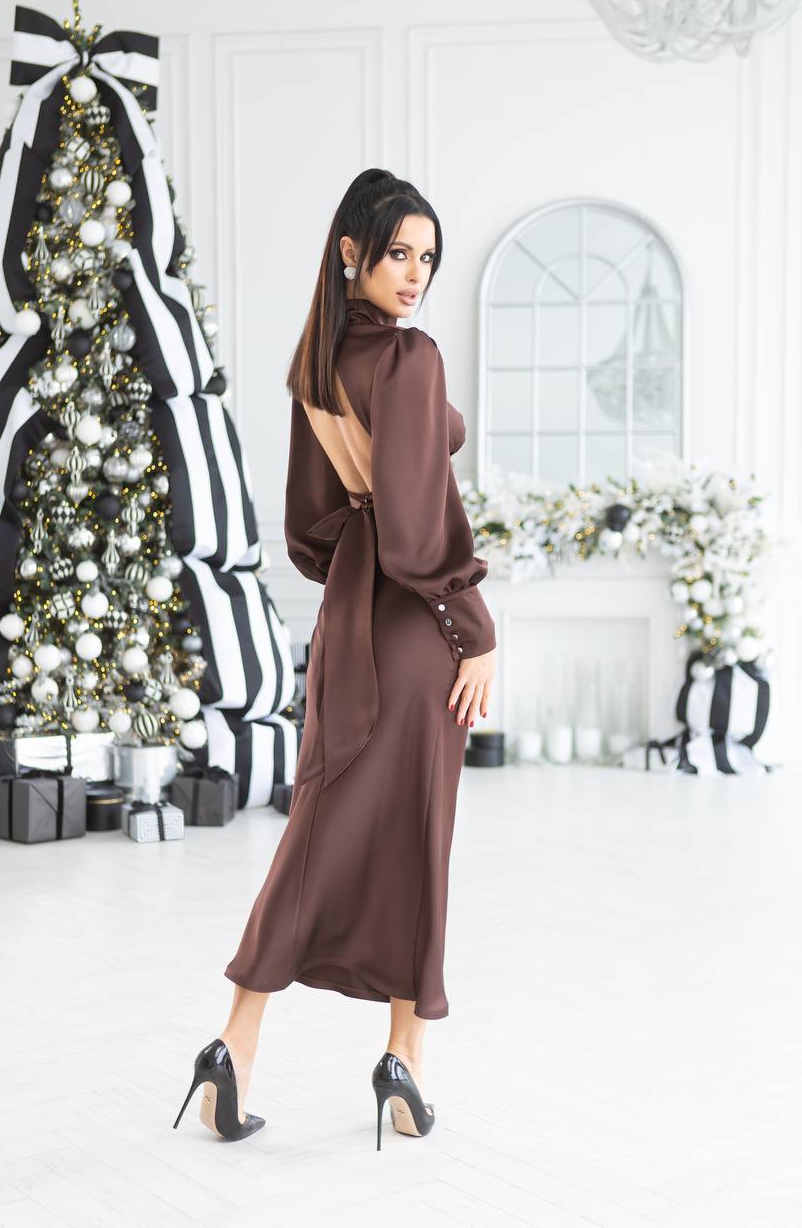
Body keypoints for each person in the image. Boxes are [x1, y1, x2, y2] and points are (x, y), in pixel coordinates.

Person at [173, 168, 497, 1150]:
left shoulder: (314, 369)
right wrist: (474, 625)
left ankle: (231, 1046)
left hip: (347, 623)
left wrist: (362, 558)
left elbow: (312, 528)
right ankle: (402, 1060)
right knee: (416, 835)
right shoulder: (408, 359)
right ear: (350, 251)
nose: (415, 275)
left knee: (316, 829)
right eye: (399, 252)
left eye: (427, 259)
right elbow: (416, 522)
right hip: (412, 629)